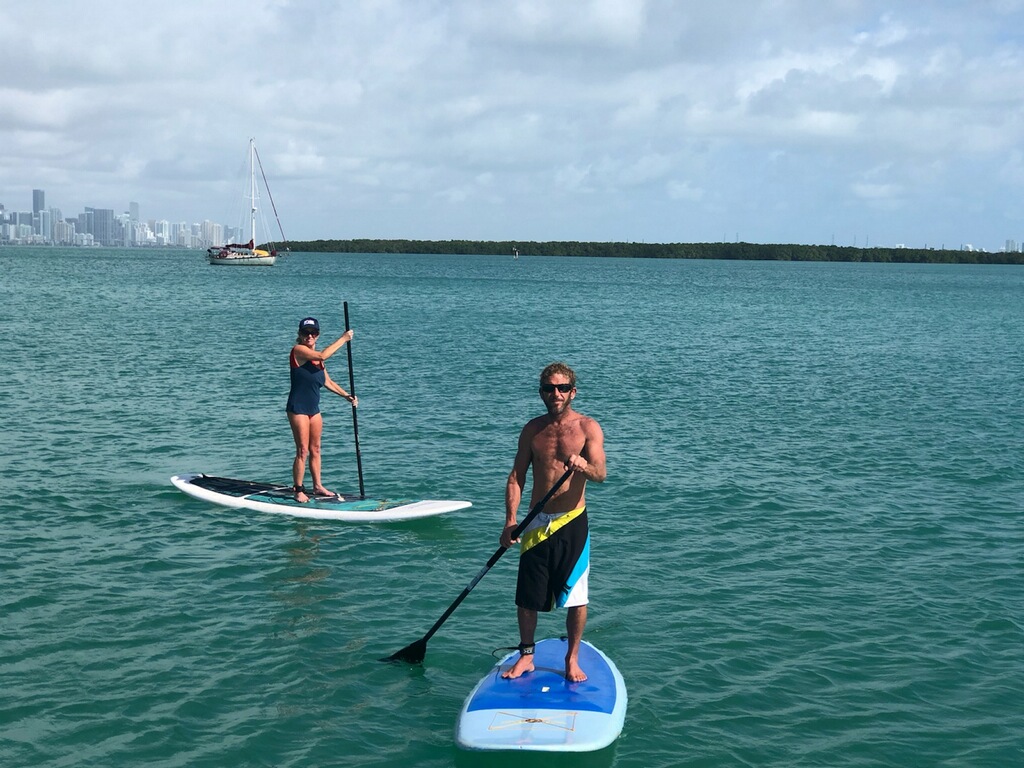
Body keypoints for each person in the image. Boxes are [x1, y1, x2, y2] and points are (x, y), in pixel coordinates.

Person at [499, 362, 606, 682]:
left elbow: (601, 474)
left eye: (562, 388)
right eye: (549, 388)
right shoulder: (533, 429)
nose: (555, 394)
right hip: (535, 520)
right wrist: (510, 521)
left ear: (573, 391)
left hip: (571, 520)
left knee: (576, 596)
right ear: (541, 392)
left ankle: (571, 659)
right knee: (527, 595)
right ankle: (526, 656)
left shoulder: (588, 428)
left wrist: (584, 465)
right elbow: (516, 477)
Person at [286, 316, 358, 502]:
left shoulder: (317, 359)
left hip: (313, 409)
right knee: (302, 450)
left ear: (317, 335)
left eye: (313, 333)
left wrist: (346, 396)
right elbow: (322, 355)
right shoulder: (299, 351)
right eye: (305, 333)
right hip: (298, 408)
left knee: (316, 449)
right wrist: (343, 339)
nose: (309, 336)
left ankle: (317, 486)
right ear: (300, 334)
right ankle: (298, 489)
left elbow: (327, 381)